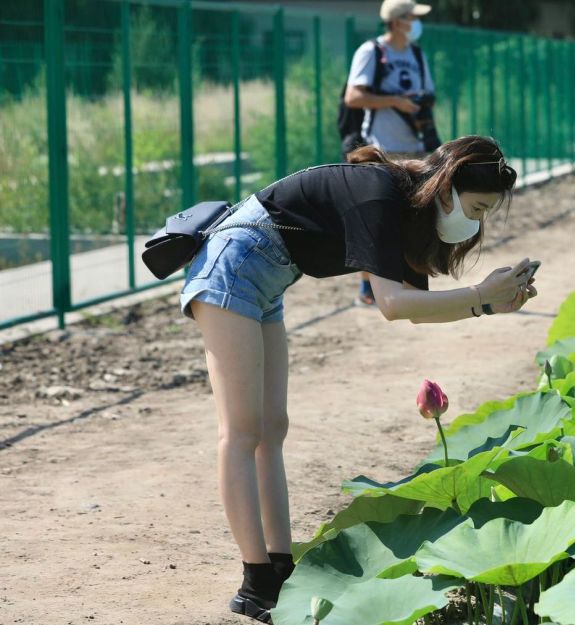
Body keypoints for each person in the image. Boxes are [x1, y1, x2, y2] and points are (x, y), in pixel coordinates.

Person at [179, 135, 535, 624]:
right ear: (447, 189)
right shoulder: (381, 194)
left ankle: (280, 567)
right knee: (241, 430)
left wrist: (490, 304)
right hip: (233, 265)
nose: (475, 222)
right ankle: (254, 582)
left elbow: (415, 307)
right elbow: (391, 305)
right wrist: (479, 296)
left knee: (271, 427)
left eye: (485, 214)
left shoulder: (408, 207)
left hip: (267, 277)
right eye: (475, 208)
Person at [345, 0, 436, 306]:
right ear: (398, 22)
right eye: (413, 18)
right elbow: (353, 97)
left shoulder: (417, 54)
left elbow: (427, 95)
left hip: (414, 147)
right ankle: (367, 288)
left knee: (412, 216)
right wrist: (395, 102)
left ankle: (409, 283)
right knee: (374, 217)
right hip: (379, 149)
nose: (417, 23)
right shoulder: (371, 51)